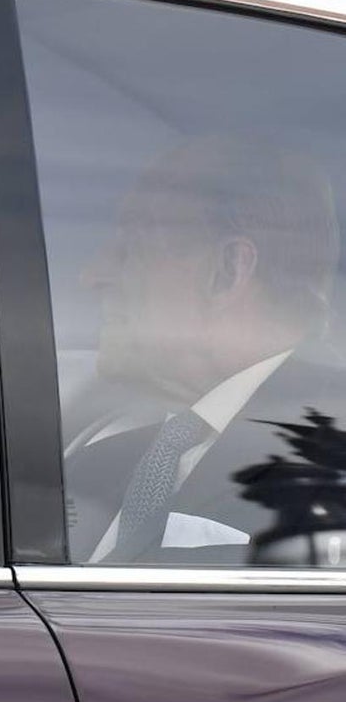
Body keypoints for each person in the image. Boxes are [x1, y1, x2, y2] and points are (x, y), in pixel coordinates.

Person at [65, 137, 346, 564]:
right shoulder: (98, 450)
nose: (92, 275)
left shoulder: (328, 460)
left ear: (227, 270)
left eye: (131, 249)